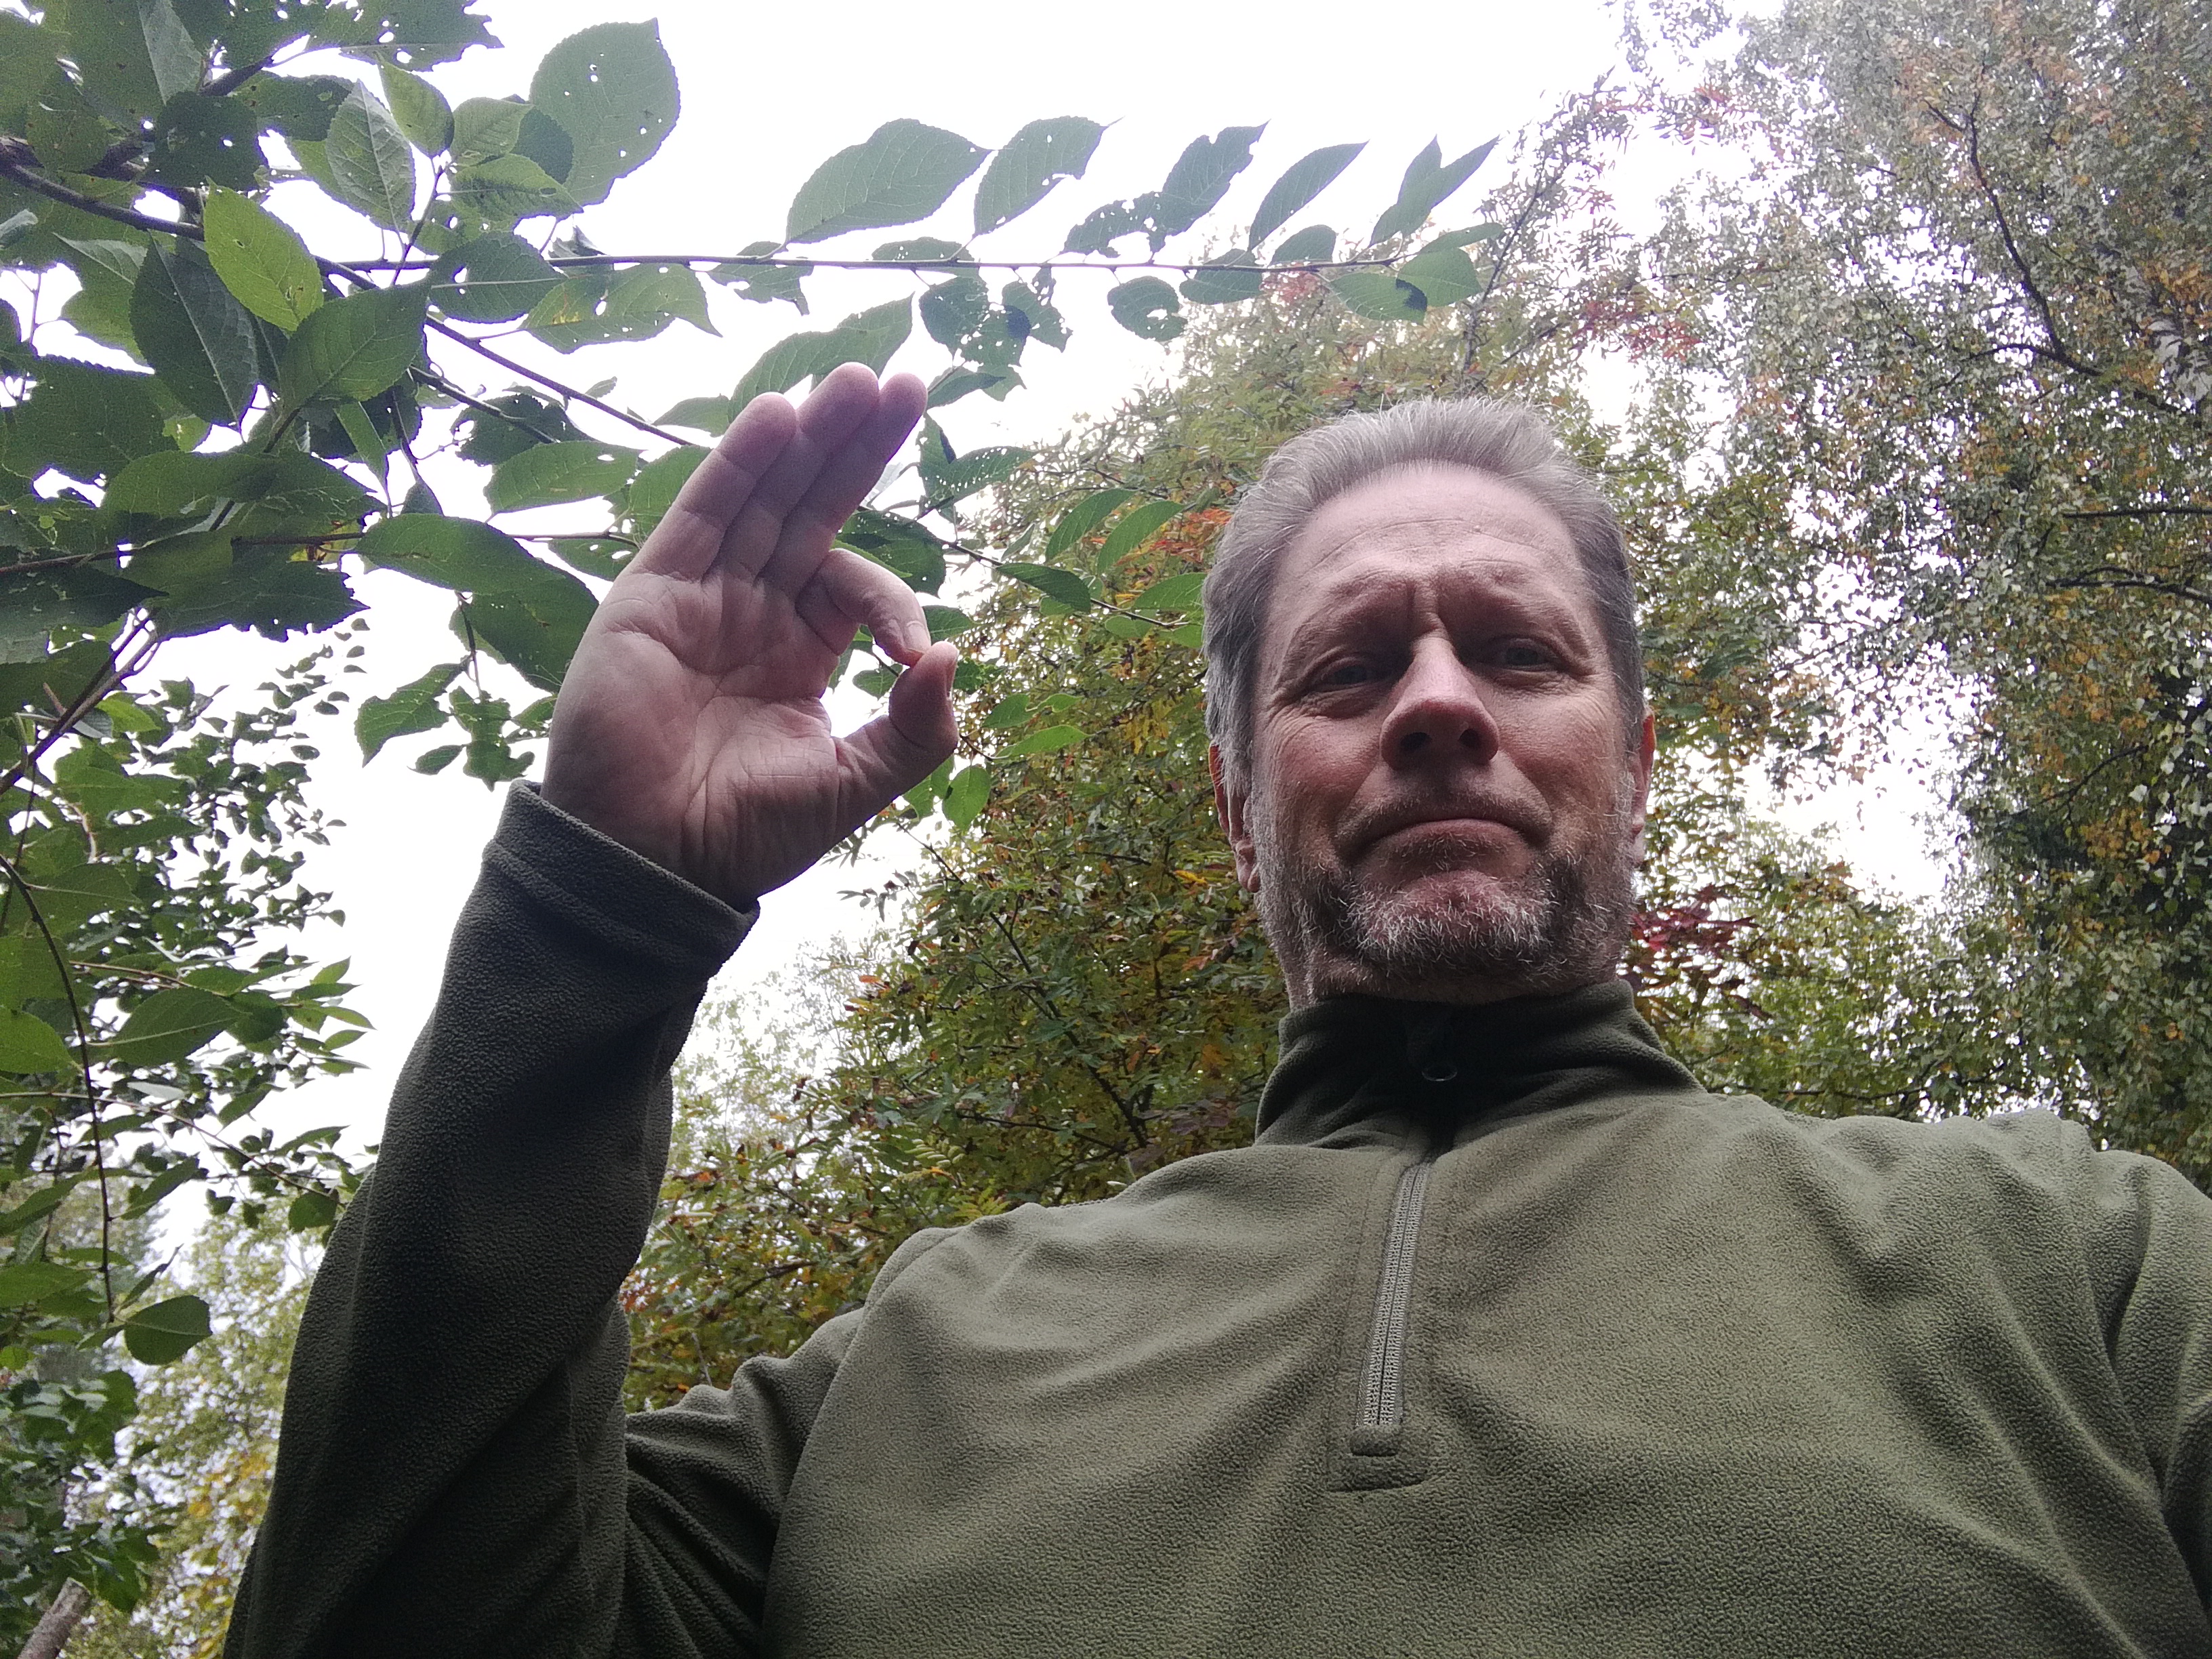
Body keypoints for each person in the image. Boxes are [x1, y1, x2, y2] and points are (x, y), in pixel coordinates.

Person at [228, 367, 2212, 1658]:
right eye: (1347, 670)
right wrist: (599, 908)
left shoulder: (2076, 1258)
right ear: (1239, 800)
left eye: (1518, 653)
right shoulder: (902, 1370)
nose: (1439, 703)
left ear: (1632, 758)